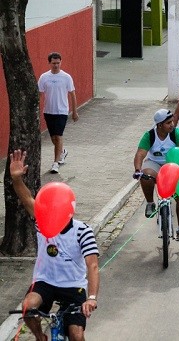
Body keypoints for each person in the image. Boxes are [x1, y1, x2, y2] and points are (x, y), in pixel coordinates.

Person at [9, 149, 99, 341]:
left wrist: (91, 297)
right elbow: (26, 199)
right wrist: (17, 179)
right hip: (45, 281)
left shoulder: (82, 231)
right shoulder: (42, 221)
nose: (51, 212)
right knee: (28, 308)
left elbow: (92, 265)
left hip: (74, 286)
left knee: (76, 334)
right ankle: (41, 337)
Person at [132, 109, 179, 243]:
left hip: (173, 165)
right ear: (159, 125)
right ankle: (150, 203)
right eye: (168, 123)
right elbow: (140, 154)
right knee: (145, 175)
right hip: (155, 165)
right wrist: (137, 170)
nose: (172, 125)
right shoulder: (150, 135)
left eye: (172, 122)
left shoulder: (176, 133)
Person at [38, 52, 78, 174]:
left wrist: (74, 112)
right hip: (49, 111)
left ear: (61, 62)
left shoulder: (66, 77)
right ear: (49, 63)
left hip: (62, 111)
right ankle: (63, 151)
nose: (56, 65)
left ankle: (55, 163)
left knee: (58, 136)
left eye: (58, 63)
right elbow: (39, 94)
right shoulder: (44, 77)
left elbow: (72, 94)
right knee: (53, 137)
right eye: (53, 63)